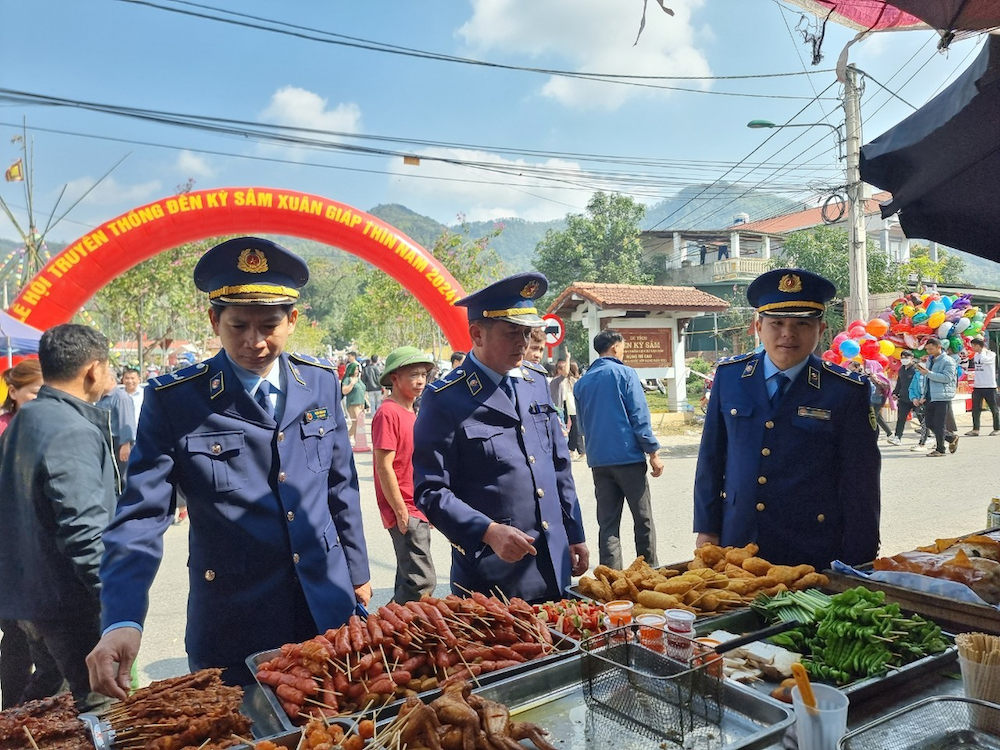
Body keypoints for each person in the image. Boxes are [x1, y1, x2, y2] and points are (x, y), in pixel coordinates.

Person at [87, 237, 371, 696]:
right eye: (238, 325)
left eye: (269, 326)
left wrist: (357, 572)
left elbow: (340, 485)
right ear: (214, 320)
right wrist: (121, 617)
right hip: (235, 621)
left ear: (293, 320)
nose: (254, 342)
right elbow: (142, 515)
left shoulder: (318, 383)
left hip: (327, 606)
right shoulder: (176, 401)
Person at [413, 272, 588, 603]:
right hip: (492, 575)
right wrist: (486, 531)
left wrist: (574, 532)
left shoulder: (535, 380)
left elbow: (558, 466)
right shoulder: (446, 398)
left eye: (526, 333)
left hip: (554, 560)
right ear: (477, 333)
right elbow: (430, 490)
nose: (523, 343)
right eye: (512, 334)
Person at [693, 268, 880, 570]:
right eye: (777, 323)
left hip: (811, 547)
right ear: (757, 326)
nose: (787, 334)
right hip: (738, 542)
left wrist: (861, 557)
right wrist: (707, 528)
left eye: (801, 324)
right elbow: (711, 460)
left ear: (821, 330)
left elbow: (860, 482)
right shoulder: (731, 377)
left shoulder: (845, 390)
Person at [0, 325, 117, 712]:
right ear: (93, 370)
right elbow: (83, 530)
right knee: (101, 706)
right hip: (69, 601)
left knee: (46, 694)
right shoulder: (70, 429)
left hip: (31, 596)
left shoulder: (29, 417)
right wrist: (115, 604)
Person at [0, 359, 64, 709]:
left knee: (30, 647)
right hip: (20, 562)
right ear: (14, 392)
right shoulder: (17, 435)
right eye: (36, 393)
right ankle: (16, 719)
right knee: (38, 655)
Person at [574, 330, 664, 569]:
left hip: (599, 461)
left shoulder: (582, 382)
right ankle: (648, 571)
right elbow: (639, 416)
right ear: (615, 347)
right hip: (627, 458)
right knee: (642, 518)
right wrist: (653, 453)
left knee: (608, 523)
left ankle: (611, 578)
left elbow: (582, 425)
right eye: (622, 347)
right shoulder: (624, 373)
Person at [372, 346, 437, 603]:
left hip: (416, 506)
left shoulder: (411, 410)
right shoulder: (388, 412)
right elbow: (383, 466)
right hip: (406, 509)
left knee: (407, 579)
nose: (420, 380)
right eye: (413, 374)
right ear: (395, 378)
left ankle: (388, 638)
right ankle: (381, 631)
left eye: (423, 374)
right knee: (421, 582)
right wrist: (400, 511)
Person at [915, 337, 959, 457]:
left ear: (939, 347)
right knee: (929, 423)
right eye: (927, 349)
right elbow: (927, 380)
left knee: (939, 423)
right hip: (930, 396)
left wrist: (928, 373)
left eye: (931, 349)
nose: (929, 351)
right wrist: (924, 394)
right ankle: (951, 438)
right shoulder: (930, 360)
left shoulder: (948, 361)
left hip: (942, 396)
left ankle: (940, 449)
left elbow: (947, 378)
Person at [96, 369, 136, 481]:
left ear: (111, 379)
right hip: (107, 442)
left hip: (119, 443)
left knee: (122, 478)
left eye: (102, 379)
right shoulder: (102, 398)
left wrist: (126, 444)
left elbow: (126, 420)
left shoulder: (121, 397)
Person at [967, 337, 999, 436]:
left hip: (989, 386)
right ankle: (975, 429)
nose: (972, 348)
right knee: (976, 408)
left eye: (973, 346)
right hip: (978, 386)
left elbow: (984, 360)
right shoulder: (976, 355)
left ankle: (997, 428)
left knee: (994, 408)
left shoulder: (991, 354)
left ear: (978, 345)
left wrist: (983, 351)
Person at [890, 351, 919, 445]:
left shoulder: (916, 369)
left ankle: (927, 436)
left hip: (915, 398)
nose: (904, 359)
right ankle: (897, 437)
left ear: (912, 357)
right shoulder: (901, 369)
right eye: (902, 357)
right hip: (903, 398)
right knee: (901, 418)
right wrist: (895, 393)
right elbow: (899, 383)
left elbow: (920, 384)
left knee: (922, 418)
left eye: (907, 357)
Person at [864, 360, 894, 440]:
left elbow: (887, 386)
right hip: (869, 399)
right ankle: (889, 433)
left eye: (868, 367)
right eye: (866, 367)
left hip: (877, 399)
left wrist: (877, 380)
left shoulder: (879, 375)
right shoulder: (865, 376)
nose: (867, 369)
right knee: (878, 418)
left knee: (872, 418)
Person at [341, 352, 367, 442]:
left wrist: (366, 402)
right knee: (356, 422)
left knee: (359, 422)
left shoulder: (359, 379)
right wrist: (351, 384)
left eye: (357, 370)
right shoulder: (348, 379)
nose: (357, 371)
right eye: (355, 370)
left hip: (361, 403)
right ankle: (357, 441)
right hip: (353, 403)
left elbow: (363, 390)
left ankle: (347, 436)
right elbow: (344, 391)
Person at [564, 361, 584, 460]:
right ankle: (572, 449)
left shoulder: (569, 380)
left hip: (571, 407)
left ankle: (581, 451)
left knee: (575, 430)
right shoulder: (579, 379)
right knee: (573, 429)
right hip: (577, 406)